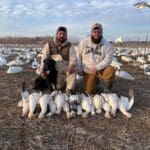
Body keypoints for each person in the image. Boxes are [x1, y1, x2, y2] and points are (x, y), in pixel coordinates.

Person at [76, 23, 115, 94]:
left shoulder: (107, 44)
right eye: (94, 32)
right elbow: (78, 56)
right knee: (89, 92)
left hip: (100, 69)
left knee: (110, 70)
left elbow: (108, 59)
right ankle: (96, 82)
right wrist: (79, 68)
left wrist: (96, 68)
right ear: (91, 32)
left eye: (99, 32)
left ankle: (106, 90)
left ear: (101, 33)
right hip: (88, 70)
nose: (96, 34)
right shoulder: (83, 42)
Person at [37, 26, 76, 92]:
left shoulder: (70, 46)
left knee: (73, 72)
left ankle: (69, 90)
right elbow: (44, 57)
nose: (62, 35)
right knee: (58, 88)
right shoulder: (49, 44)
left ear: (66, 35)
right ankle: (55, 87)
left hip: (64, 67)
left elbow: (73, 58)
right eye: (60, 33)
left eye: (64, 34)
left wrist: (71, 65)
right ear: (56, 34)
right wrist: (42, 70)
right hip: (53, 68)